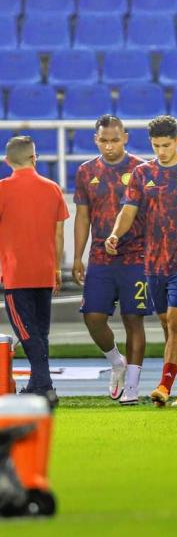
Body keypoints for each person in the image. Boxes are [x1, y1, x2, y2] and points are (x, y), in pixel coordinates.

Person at [106, 115, 177, 407]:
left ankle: (164, 385)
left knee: (176, 321)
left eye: (167, 145)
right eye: (157, 145)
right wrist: (114, 235)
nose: (162, 151)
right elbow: (128, 211)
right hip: (154, 262)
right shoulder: (142, 174)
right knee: (169, 326)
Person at [72, 115, 151, 405]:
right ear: (96, 140)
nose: (109, 146)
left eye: (114, 140)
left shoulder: (143, 170)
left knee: (134, 320)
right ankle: (116, 361)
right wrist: (78, 256)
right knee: (92, 317)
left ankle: (132, 386)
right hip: (100, 256)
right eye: (104, 140)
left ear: (126, 138)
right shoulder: (85, 171)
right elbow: (82, 216)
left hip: (136, 255)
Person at [0, 136, 68, 402]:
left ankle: (46, 385)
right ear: (34, 157)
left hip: (16, 275)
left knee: (27, 334)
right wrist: (57, 269)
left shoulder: (3, 189)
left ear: (7, 161)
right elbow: (58, 233)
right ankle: (39, 386)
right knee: (40, 333)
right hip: (45, 271)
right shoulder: (52, 189)